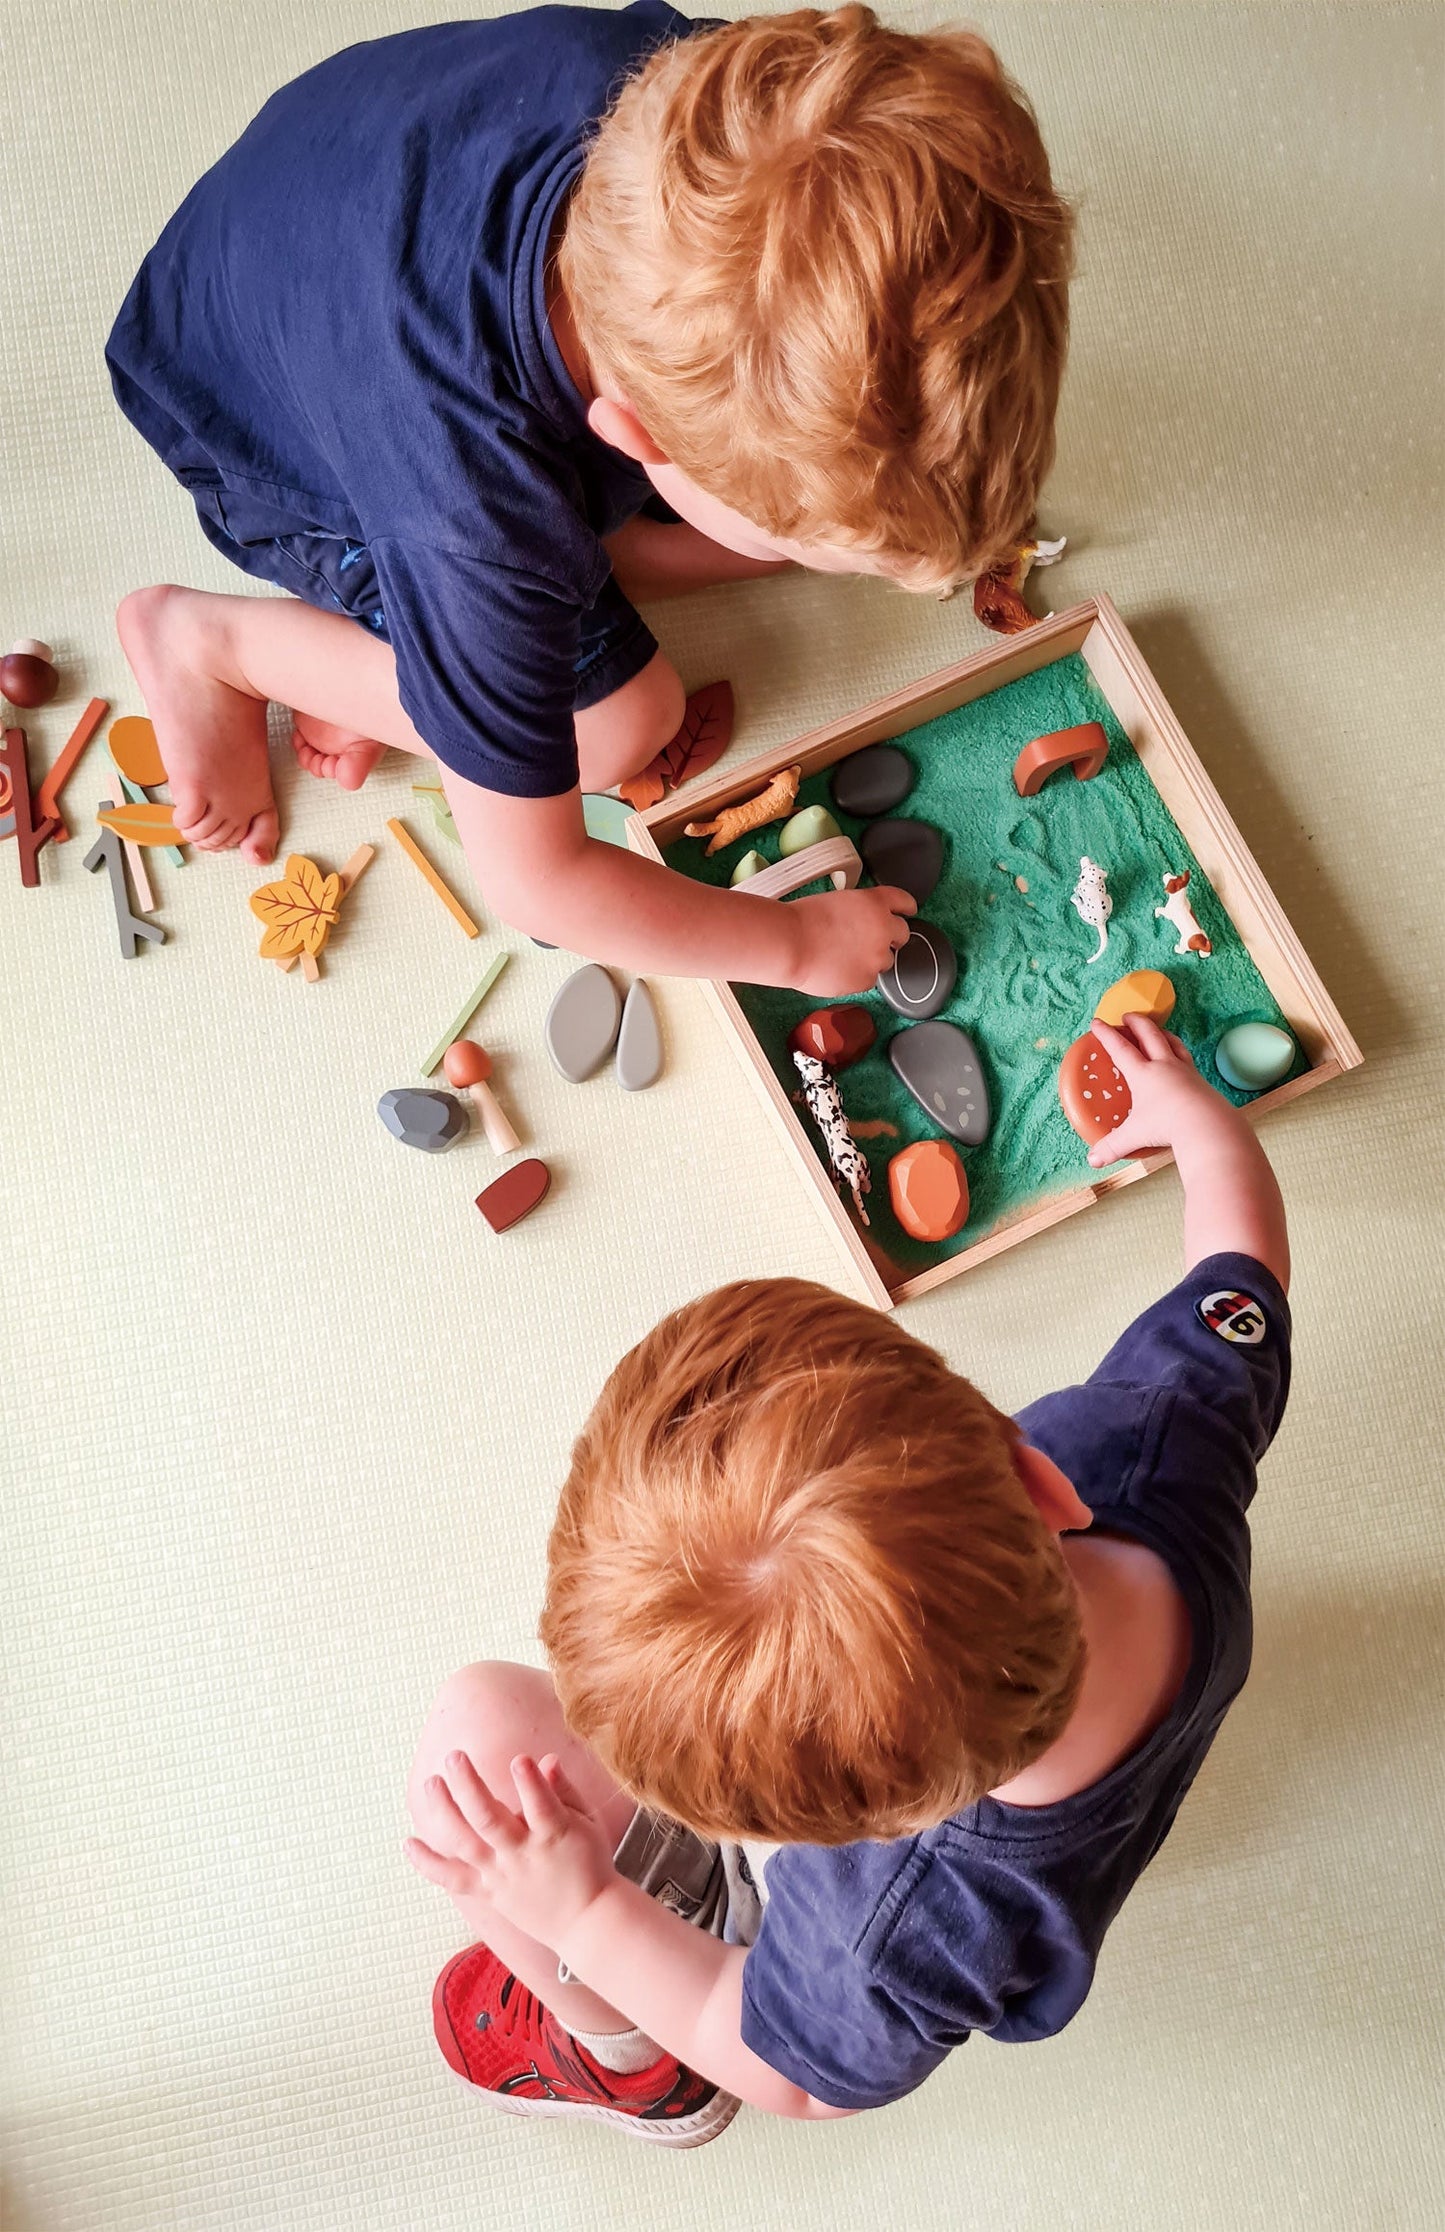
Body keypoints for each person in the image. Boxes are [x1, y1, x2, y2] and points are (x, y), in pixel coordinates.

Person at [405, 1016, 1293, 2144]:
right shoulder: (1160, 1442)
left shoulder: (907, 1916)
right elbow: (1240, 1277)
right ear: (1035, 1481)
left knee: (477, 1754)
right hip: (1093, 1729)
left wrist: (578, 1909)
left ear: (843, 1825)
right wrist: (1207, 1130)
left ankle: (630, 2063)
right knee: (488, 1716)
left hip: (748, 1984)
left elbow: (798, 2078)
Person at [105, 4, 1071, 989]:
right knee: (621, 726)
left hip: (339, 196)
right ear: (634, 438)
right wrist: (792, 946)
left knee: (758, 538)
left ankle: (559, 603)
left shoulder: (728, 101)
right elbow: (537, 886)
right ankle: (214, 644)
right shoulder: (476, 528)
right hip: (253, 425)